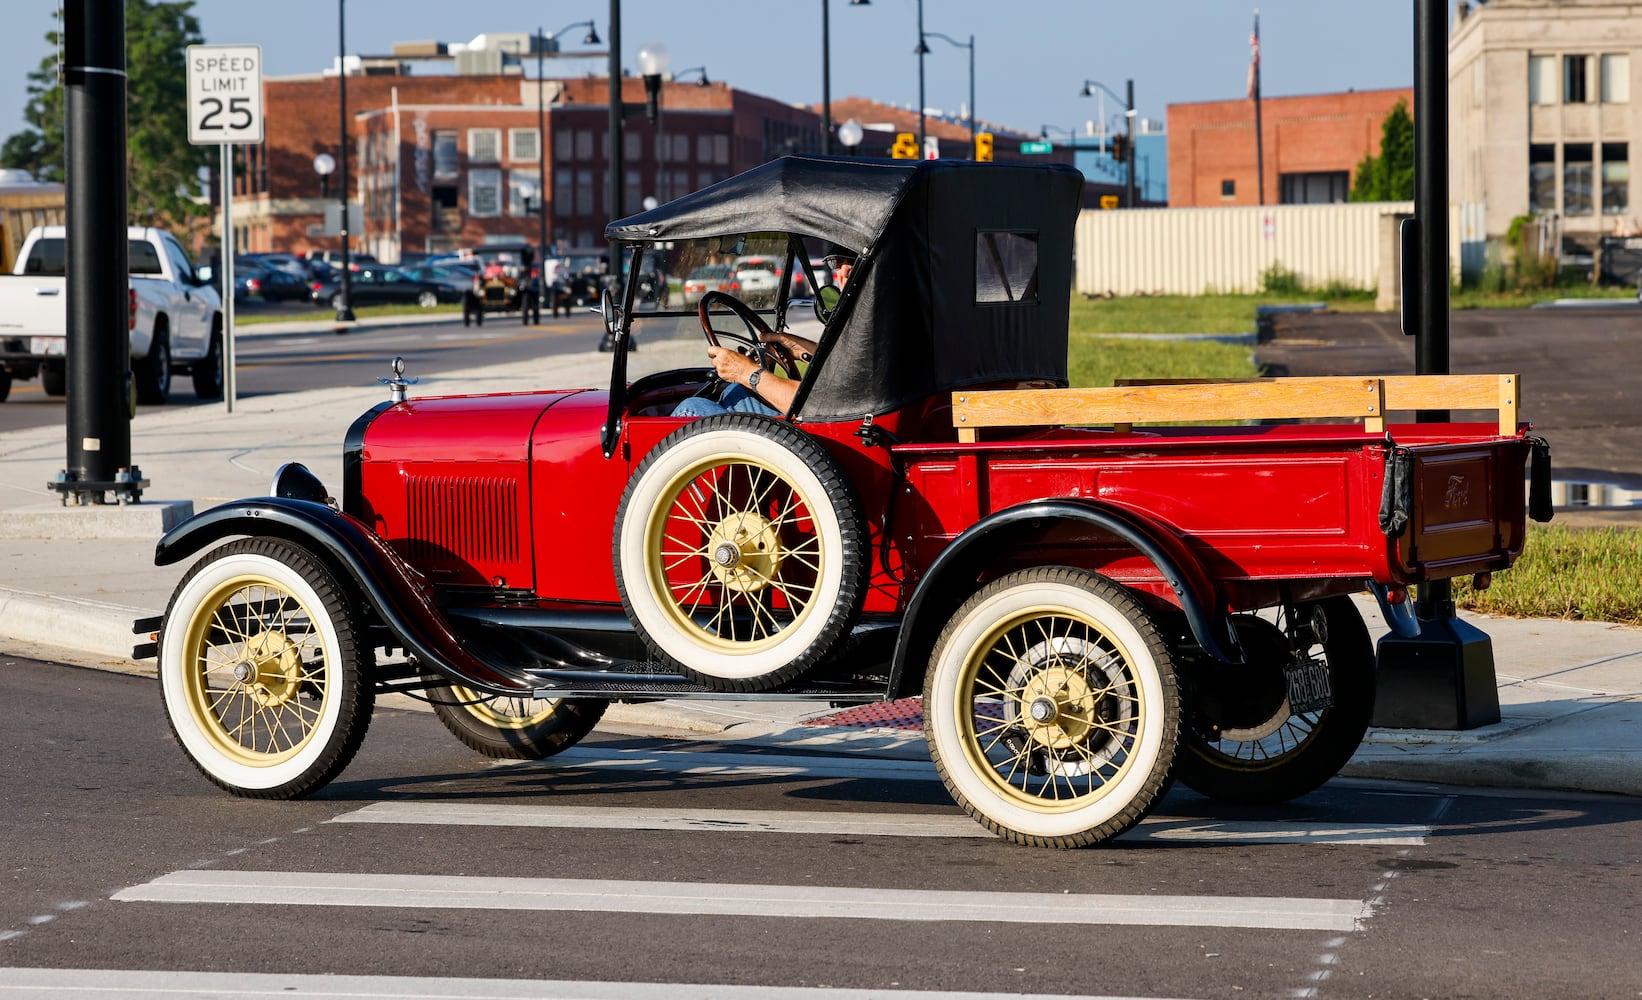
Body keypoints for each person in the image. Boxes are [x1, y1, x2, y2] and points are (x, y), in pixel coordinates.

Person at [674, 329, 816, 418]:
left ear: (840, 278)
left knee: (692, 408)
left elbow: (815, 402)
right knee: (737, 390)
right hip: (816, 416)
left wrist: (745, 371)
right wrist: (804, 350)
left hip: (812, 420)